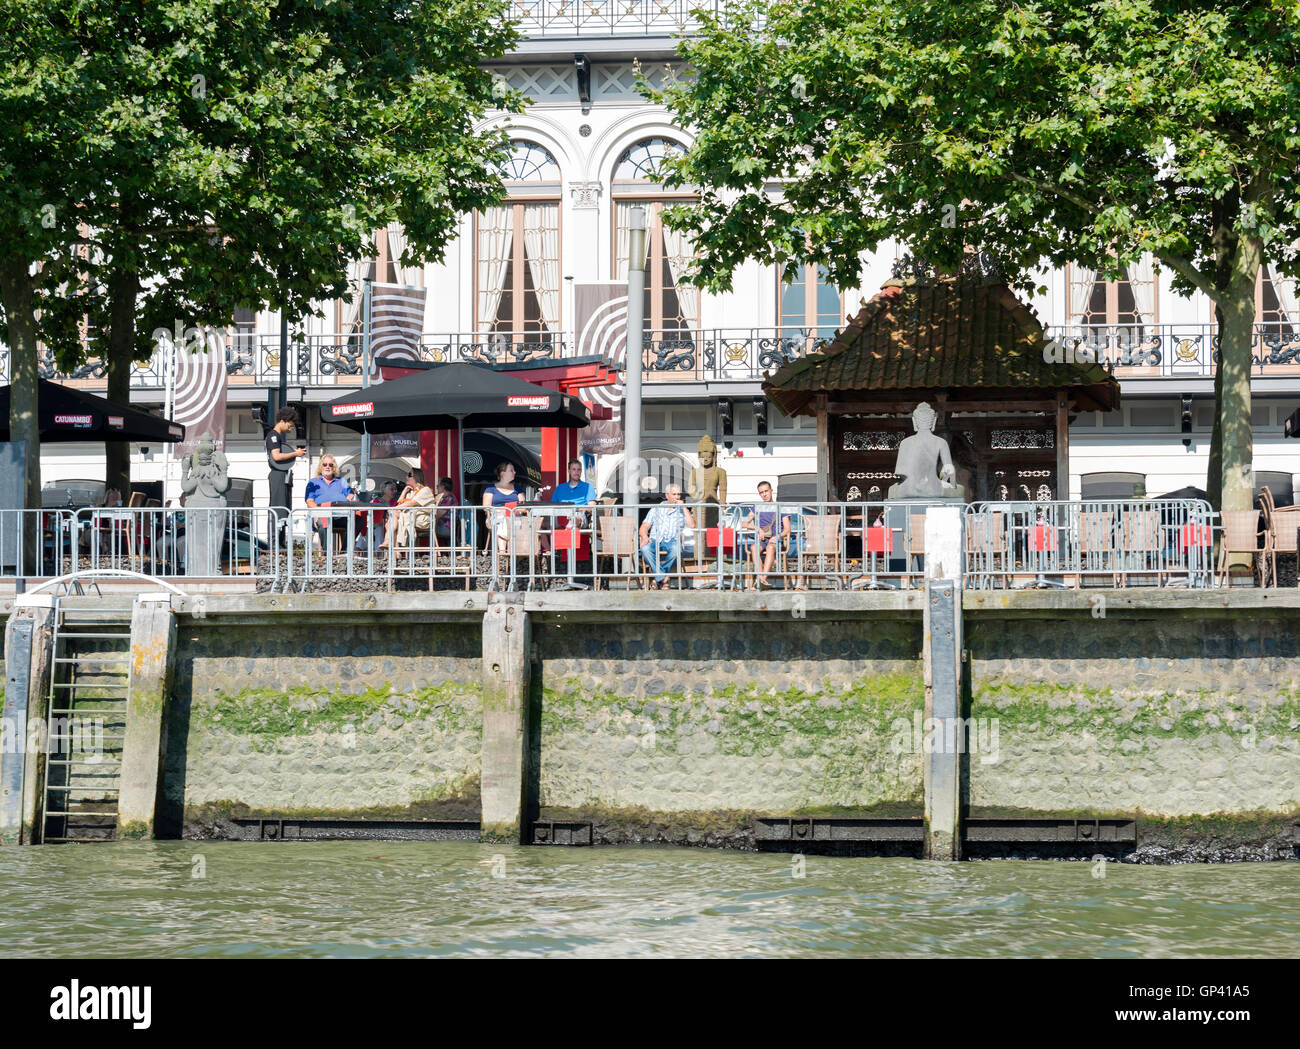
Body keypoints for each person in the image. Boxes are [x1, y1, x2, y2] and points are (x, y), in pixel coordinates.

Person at [638, 483, 695, 590]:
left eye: (678, 494)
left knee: (676, 549)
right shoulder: (656, 508)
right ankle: (664, 578)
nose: (677, 497)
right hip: (655, 540)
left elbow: (692, 525)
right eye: (674, 494)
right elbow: (644, 526)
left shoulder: (682, 511)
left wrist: (684, 508)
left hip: (673, 540)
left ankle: (657, 578)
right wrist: (645, 537)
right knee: (645, 548)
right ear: (667, 495)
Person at [266, 406, 306, 543]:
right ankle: (274, 542)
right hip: (278, 474)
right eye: (289, 426)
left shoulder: (277, 436)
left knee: (284, 508)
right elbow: (276, 456)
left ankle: (280, 541)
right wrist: (295, 453)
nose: (290, 429)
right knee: (278, 507)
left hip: (283, 474)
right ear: (283, 421)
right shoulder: (273, 435)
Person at [304, 455, 356, 552]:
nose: (327, 467)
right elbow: (309, 501)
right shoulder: (313, 482)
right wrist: (317, 513)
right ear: (321, 466)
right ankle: (326, 553)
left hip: (339, 514)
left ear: (334, 467)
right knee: (321, 521)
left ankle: (345, 552)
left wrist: (347, 499)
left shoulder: (341, 481)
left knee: (357, 520)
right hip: (322, 514)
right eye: (325, 464)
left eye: (330, 465)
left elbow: (351, 495)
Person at [381, 468, 436, 551]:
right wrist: (404, 492)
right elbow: (400, 504)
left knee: (393, 516)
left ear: (416, 477)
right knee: (393, 519)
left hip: (422, 518)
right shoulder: (410, 492)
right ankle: (393, 549)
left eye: (409, 475)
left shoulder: (425, 490)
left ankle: (390, 544)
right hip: (411, 516)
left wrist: (394, 509)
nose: (406, 477)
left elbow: (411, 503)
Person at [741, 480, 781, 589]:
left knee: (770, 548)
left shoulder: (780, 506)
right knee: (754, 547)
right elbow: (743, 523)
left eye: (766, 491)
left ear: (771, 491)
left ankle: (762, 579)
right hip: (762, 539)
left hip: (775, 540)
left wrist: (777, 537)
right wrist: (757, 528)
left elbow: (787, 529)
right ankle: (762, 579)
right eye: (761, 492)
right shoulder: (757, 507)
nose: (764, 494)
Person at [482, 461, 524, 553]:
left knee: (510, 520)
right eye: (511, 470)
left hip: (514, 517)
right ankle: (502, 552)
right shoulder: (491, 488)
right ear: (502, 473)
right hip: (496, 517)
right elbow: (486, 507)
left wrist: (509, 511)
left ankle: (513, 551)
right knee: (503, 520)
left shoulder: (517, 488)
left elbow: (523, 506)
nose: (514, 472)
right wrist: (504, 511)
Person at [433, 477, 456, 546]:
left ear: (443, 487)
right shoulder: (445, 498)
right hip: (443, 526)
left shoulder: (448, 498)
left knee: (420, 528)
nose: (437, 488)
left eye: (437, 486)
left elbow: (437, 514)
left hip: (445, 528)